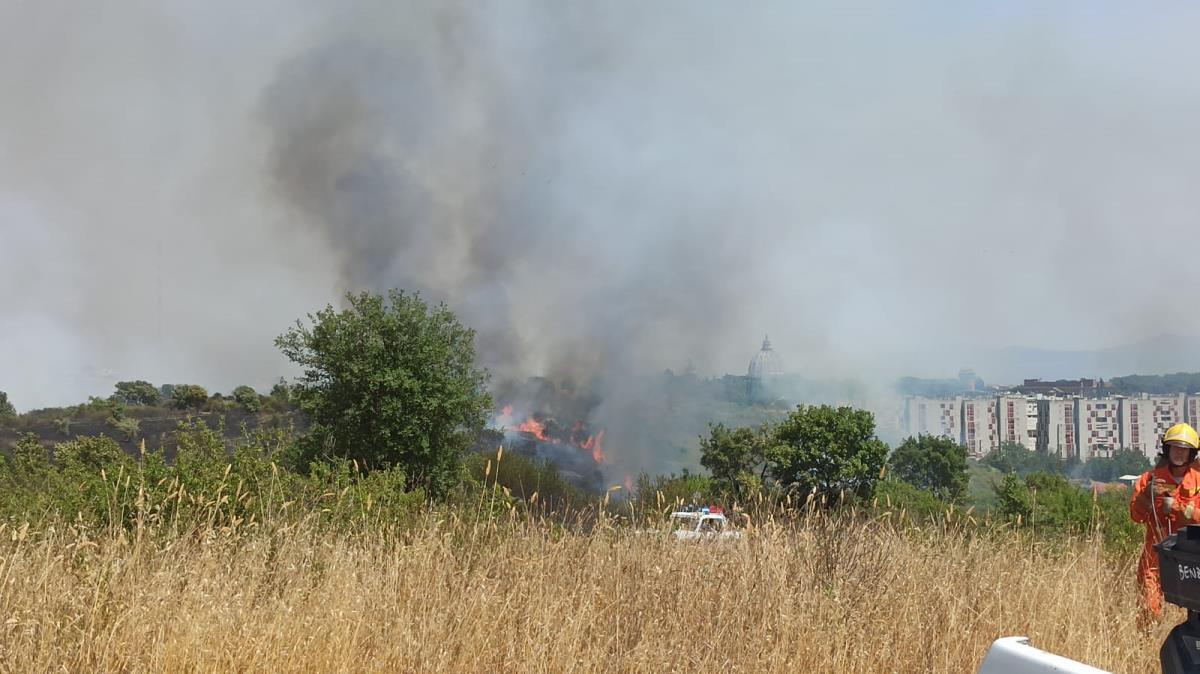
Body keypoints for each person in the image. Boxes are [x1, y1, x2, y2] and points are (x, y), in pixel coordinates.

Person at [1130, 422, 1200, 621]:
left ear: (1192, 453)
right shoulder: (1149, 480)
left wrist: (1180, 508)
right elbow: (1136, 516)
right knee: (1148, 609)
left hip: (1192, 555)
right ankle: (1149, 637)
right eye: (1174, 447)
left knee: (1193, 615)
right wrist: (1147, 495)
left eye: (1184, 449)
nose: (1179, 453)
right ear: (1167, 449)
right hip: (1156, 554)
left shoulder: (1198, 482)